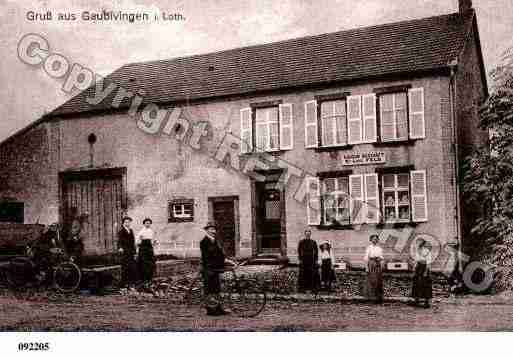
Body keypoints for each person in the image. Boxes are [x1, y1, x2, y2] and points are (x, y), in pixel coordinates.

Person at [200, 222, 235, 316]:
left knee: (216, 289)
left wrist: (226, 260)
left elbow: (219, 254)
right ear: (206, 230)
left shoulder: (214, 241)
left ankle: (218, 308)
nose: (213, 231)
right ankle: (211, 310)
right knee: (210, 290)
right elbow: (211, 256)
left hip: (215, 268)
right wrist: (224, 262)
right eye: (211, 229)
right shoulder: (204, 242)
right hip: (209, 268)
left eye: (214, 229)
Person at [411, 239, 433, 308]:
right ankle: (416, 300)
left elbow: (428, 263)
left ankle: (427, 302)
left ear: (423, 244)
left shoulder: (426, 251)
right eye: (417, 243)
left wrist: (426, 272)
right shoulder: (417, 251)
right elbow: (416, 261)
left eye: (419, 243)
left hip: (424, 268)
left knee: (425, 284)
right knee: (416, 283)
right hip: (418, 268)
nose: (417, 245)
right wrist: (414, 269)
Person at [136, 218, 157, 288]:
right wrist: (140, 242)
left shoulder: (151, 231)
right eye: (146, 223)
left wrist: (154, 242)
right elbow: (138, 241)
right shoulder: (141, 231)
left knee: (150, 263)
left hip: (149, 248)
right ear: (144, 224)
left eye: (149, 223)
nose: (148, 224)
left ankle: (149, 278)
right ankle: (143, 279)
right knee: (144, 263)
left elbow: (153, 240)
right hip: (143, 248)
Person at [117, 216, 137, 290]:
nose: (127, 223)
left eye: (128, 222)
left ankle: (130, 284)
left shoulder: (131, 231)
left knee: (132, 268)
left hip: (131, 251)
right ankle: (123, 284)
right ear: (123, 223)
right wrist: (120, 248)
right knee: (125, 268)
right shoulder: (121, 231)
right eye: (126, 222)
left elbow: (133, 242)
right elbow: (119, 241)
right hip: (125, 252)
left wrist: (134, 252)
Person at [364, 234, 384, 304]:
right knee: (372, 281)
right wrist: (366, 267)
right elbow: (366, 258)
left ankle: (378, 298)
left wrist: (381, 263)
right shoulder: (369, 248)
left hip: (377, 265)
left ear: (378, 240)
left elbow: (381, 257)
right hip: (371, 265)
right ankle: (371, 298)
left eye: (376, 239)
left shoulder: (379, 248)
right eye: (373, 239)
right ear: (371, 240)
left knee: (378, 281)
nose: (375, 240)